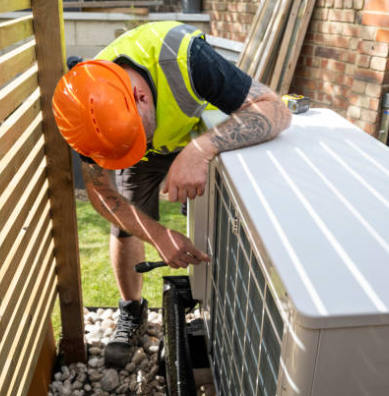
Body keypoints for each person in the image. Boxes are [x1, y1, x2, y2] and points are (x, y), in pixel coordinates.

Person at [52, 21, 291, 367]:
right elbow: (102, 190)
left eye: (139, 140)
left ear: (141, 96)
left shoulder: (188, 58)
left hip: (196, 135)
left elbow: (275, 109)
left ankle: (215, 308)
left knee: (216, 215)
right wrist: (157, 234)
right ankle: (131, 312)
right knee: (125, 224)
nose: (136, 152)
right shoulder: (85, 107)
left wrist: (199, 151)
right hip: (145, 143)